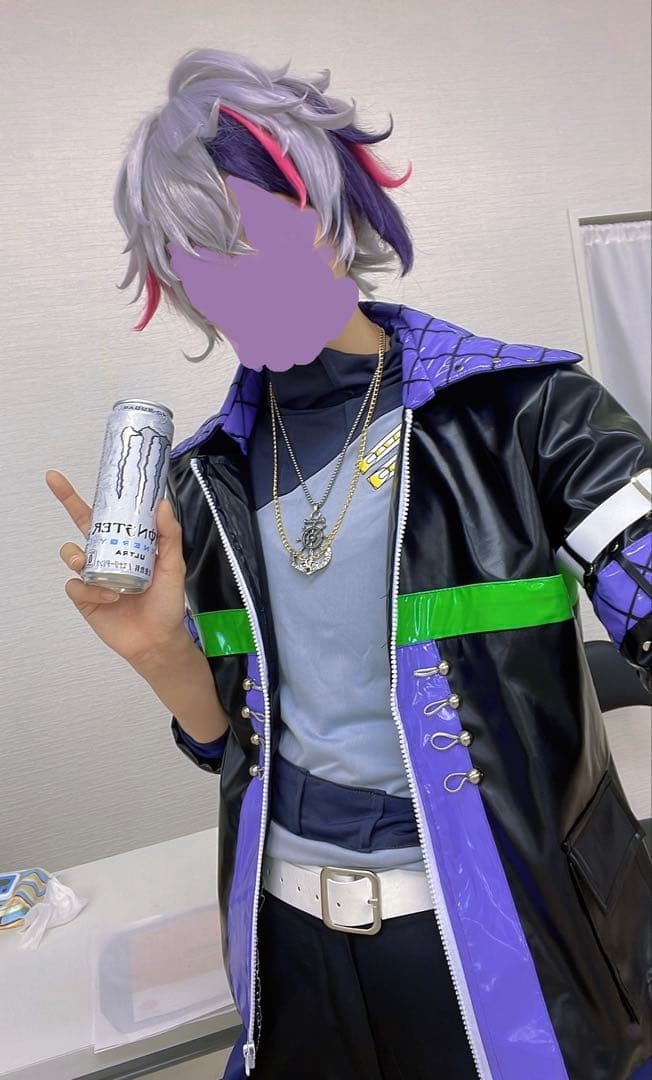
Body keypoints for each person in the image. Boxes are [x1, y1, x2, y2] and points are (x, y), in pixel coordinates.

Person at [47, 47, 652, 1080]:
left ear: (329, 212)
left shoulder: (526, 415)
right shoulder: (203, 484)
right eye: (197, 260)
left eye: (252, 234)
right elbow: (228, 743)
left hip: (510, 937)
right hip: (287, 947)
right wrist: (158, 654)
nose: (233, 279)